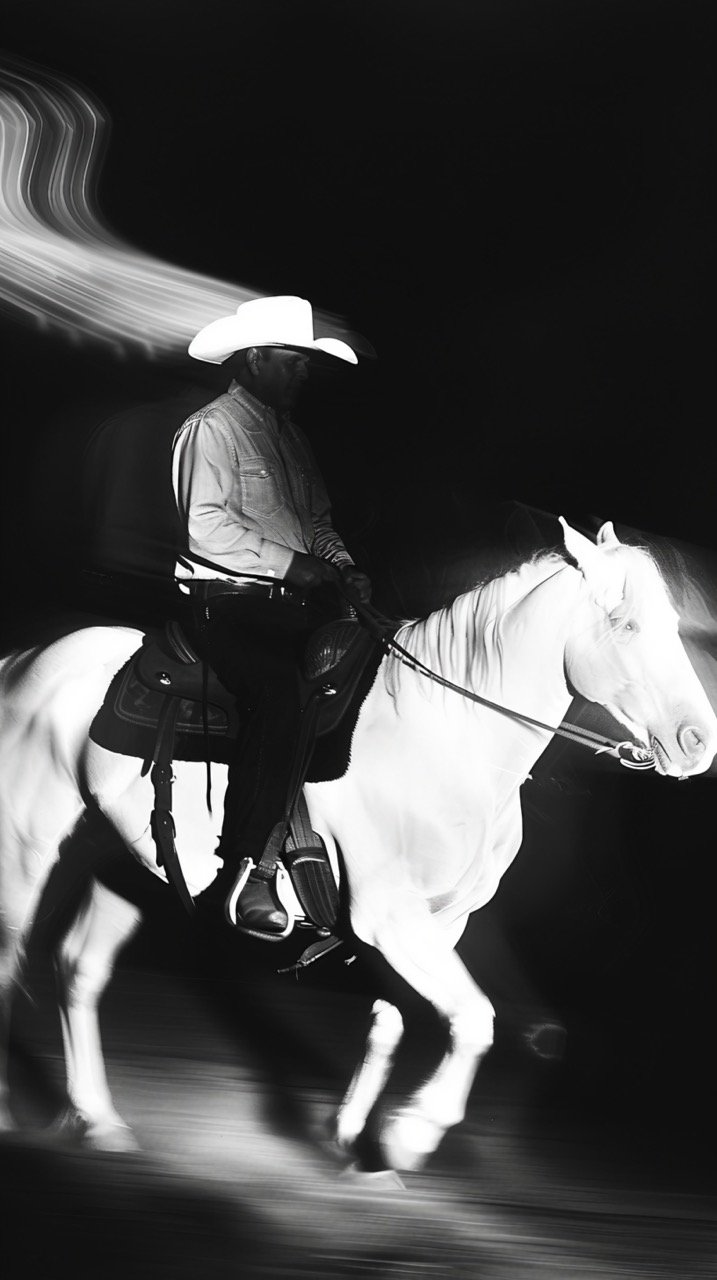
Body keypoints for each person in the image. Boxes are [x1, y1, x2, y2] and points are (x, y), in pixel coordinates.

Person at [171, 295, 372, 935]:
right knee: (281, 691)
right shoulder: (212, 429)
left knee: (379, 678)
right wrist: (291, 566)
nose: (303, 373)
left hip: (296, 606)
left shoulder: (292, 438)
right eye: (294, 360)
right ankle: (247, 871)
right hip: (227, 607)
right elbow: (204, 526)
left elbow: (317, 524)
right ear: (256, 358)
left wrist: (341, 566)